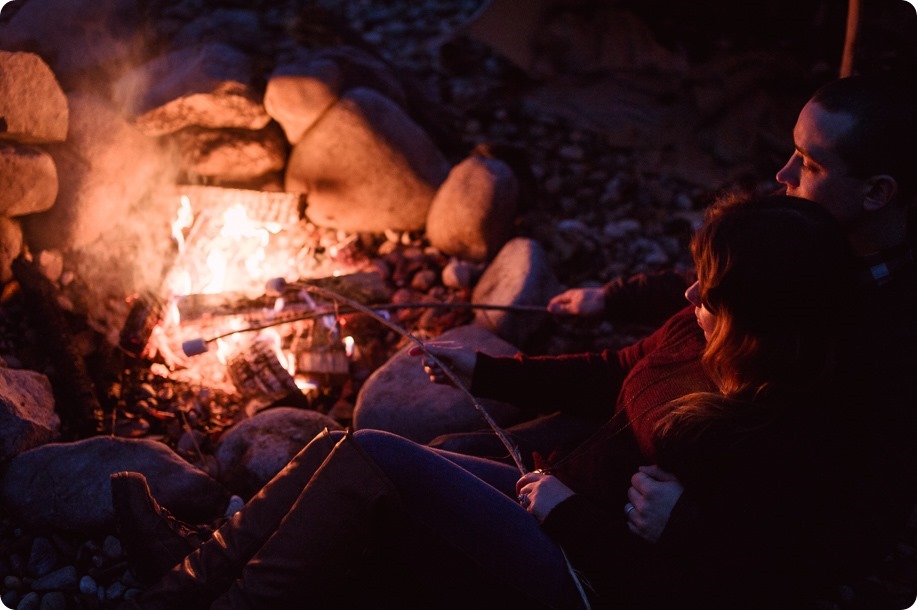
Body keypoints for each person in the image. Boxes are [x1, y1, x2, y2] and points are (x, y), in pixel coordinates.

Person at [112, 193, 863, 609]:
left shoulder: (781, 439)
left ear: (763, 320)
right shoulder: (699, 336)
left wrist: (569, 512)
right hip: (566, 510)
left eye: (710, 289)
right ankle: (192, 580)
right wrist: (487, 372)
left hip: (585, 577)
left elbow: (712, 591)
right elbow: (615, 368)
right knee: (359, 454)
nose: (690, 291)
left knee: (376, 454)